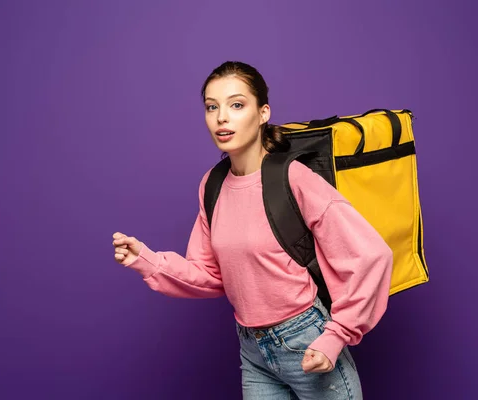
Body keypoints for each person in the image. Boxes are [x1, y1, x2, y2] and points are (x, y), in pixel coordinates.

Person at [112, 61, 393, 399]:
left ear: (263, 113)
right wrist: (147, 259)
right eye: (211, 107)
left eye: (236, 105)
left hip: (306, 338)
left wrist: (337, 334)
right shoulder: (211, 185)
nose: (221, 117)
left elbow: (370, 255)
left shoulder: (293, 178)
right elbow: (209, 274)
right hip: (253, 348)